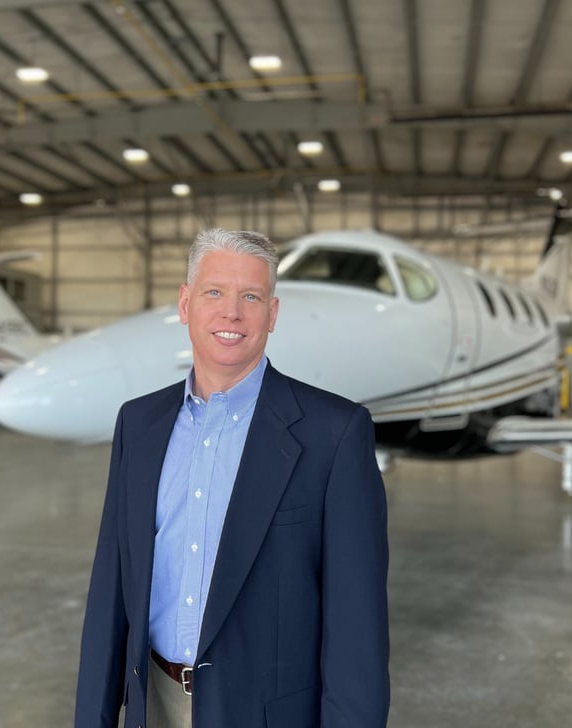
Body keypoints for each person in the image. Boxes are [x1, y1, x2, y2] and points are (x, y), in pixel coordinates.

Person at [74, 228, 389, 728]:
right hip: (152, 700)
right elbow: (110, 589)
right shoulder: (138, 424)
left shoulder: (335, 433)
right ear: (185, 303)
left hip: (266, 712)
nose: (232, 312)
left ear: (273, 313)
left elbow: (357, 626)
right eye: (214, 292)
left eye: (251, 296)